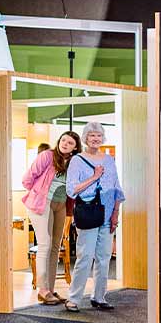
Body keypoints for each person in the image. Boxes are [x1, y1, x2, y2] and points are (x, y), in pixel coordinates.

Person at [65, 123, 125, 311]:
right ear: (85, 138)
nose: (96, 139)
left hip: (107, 216)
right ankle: (73, 299)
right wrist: (94, 176)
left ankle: (99, 297)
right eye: (92, 135)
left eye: (99, 135)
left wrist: (116, 212)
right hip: (89, 214)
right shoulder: (77, 160)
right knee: (85, 257)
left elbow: (116, 188)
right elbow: (71, 190)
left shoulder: (109, 159)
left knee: (104, 257)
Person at [22, 130, 81, 305]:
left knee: (56, 246)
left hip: (61, 205)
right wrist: (38, 193)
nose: (65, 144)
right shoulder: (47, 156)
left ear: (75, 147)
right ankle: (42, 289)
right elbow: (27, 179)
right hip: (42, 203)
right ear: (59, 141)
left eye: (70, 143)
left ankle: (51, 290)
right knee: (45, 244)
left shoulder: (73, 163)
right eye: (63, 140)